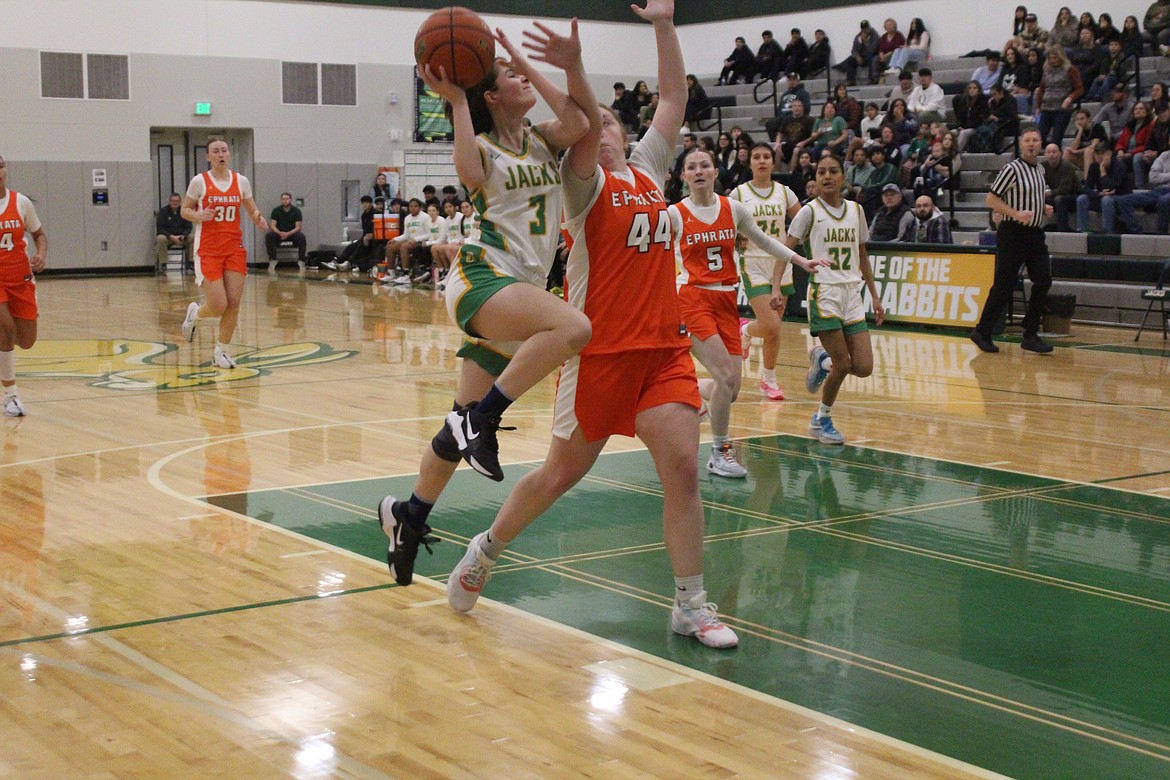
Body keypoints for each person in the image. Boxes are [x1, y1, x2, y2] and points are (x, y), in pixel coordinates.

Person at [445, 0, 742, 649]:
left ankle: (691, 604)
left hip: (661, 355)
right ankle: (487, 548)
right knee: (558, 476)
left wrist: (663, 25)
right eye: (596, 122)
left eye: (612, 122)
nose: (605, 129)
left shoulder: (647, 170)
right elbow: (579, 128)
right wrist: (571, 82)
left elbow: (672, 94)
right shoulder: (581, 186)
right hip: (598, 356)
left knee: (684, 471)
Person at [375, 17, 596, 585]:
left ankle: (408, 514)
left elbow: (581, 120)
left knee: (452, 433)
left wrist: (539, 64)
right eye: (512, 76)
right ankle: (487, 419)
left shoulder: (545, 138)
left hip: (519, 294)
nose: (526, 79)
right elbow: (468, 171)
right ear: (491, 94)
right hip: (483, 280)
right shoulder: (486, 146)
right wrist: (455, 101)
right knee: (575, 329)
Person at [674, 149, 828, 476]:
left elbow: (765, 241)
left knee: (731, 391)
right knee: (725, 377)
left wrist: (802, 261)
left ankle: (681, 390)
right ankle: (720, 452)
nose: (699, 170)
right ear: (684, 176)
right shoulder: (675, 214)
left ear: (716, 172)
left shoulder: (733, 209)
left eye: (704, 165)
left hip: (726, 301)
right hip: (693, 300)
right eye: (691, 167)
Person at [787, 154, 885, 445]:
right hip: (824, 293)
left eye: (833, 171)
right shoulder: (809, 212)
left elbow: (863, 255)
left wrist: (875, 297)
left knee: (864, 368)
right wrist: (778, 286)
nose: (827, 176)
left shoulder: (856, 210)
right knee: (843, 365)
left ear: (844, 177)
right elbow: (787, 248)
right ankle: (822, 420)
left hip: (852, 294)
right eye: (821, 171)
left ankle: (822, 361)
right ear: (815, 179)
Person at [180, 138, 268, 369]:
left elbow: (251, 208)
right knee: (218, 305)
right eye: (215, 151)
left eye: (224, 150)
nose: (221, 154)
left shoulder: (241, 181)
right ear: (208, 156)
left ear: (229, 155)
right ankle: (195, 315)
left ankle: (222, 351)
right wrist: (198, 216)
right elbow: (185, 210)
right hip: (208, 249)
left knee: (234, 303)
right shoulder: (200, 181)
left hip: (233, 248)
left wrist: (258, 218)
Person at [970, 128, 1055, 355]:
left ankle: (1029, 333)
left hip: (1035, 233)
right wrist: (1016, 214)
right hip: (1012, 233)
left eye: (1035, 140)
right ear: (1020, 143)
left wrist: (1042, 208)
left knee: (1044, 279)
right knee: (1004, 285)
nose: (1031, 144)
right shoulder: (1011, 169)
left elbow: (1033, 196)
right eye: (1027, 140)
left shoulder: (1040, 169)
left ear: (1041, 144)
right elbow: (991, 199)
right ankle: (982, 331)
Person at [732, 143, 802, 402]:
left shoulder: (784, 192)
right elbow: (727, 223)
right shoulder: (739, 193)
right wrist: (735, 235)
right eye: (756, 156)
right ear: (750, 162)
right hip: (754, 264)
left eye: (766, 157)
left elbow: (802, 220)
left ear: (773, 162)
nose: (761, 161)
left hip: (781, 264)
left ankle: (769, 379)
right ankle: (746, 330)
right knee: (770, 323)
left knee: (775, 329)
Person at [0, 155, 46, 418]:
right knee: (5, 329)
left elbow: (39, 234)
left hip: (21, 279)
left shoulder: (21, 202)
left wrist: (40, 255)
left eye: (1, 166)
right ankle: (11, 395)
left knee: (26, 341)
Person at [1034, 45, 1083, 149]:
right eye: (1050, 58)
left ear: (1061, 57)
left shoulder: (1070, 69)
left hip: (1062, 109)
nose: (1052, 61)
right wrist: (1038, 107)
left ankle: (1056, 154)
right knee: (1039, 138)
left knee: (1057, 138)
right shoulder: (1046, 70)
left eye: (1055, 58)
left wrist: (1070, 98)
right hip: (1046, 108)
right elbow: (1041, 89)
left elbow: (1079, 88)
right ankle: (1050, 148)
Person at [1077, 145, 1133, 232]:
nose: (1099, 157)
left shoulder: (1119, 166)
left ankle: (1107, 232)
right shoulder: (1094, 166)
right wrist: (1099, 194)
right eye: (1097, 154)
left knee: (1106, 200)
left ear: (1109, 154)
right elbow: (1087, 188)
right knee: (1081, 199)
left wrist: (1102, 171)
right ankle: (1082, 231)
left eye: (1102, 153)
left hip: (1120, 198)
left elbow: (1111, 187)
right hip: (1102, 196)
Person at [1113, 149, 1170, 233]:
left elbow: (1157, 177)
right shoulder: (1164, 155)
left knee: (1164, 200)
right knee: (1123, 200)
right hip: (1158, 190)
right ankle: (1137, 232)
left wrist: (1162, 176)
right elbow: (1153, 177)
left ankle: (1161, 234)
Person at [1041, 142, 1081, 232]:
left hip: (1073, 197)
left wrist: (1048, 193)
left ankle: (1062, 231)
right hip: (1056, 196)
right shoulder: (1043, 166)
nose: (1051, 155)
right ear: (1045, 154)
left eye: (1054, 152)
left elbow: (1065, 189)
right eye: (1049, 152)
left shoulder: (1066, 166)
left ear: (1060, 154)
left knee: (1059, 199)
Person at [265, 192, 307, 270]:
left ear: (290, 200)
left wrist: (288, 233)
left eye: (287, 199)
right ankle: (273, 260)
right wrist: (280, 233)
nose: (285, 201)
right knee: (269, 236)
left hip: (292, 234)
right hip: (279, 234)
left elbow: (298, 227)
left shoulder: (296, 211)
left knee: (301, 236)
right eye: (283, 199)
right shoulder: (276, 210)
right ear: (281, 200)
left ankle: (301, 260)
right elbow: (273, 226)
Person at [154, 193, 191, 268]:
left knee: (193, 238)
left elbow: (189, 227)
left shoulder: (184, 211)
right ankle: (163, 264)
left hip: (182, 237)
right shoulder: (163, 212)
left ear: (180, 202)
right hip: (168, 237)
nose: (175, 203)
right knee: (160, 238)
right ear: (170, 201)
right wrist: (171, 236)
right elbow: (160, 228)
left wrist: (183, 235)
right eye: (173, 201)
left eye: (177, 201)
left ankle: (191, 263)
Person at [838, 20, 877, 87]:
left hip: (871, 56)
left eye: (866, 28)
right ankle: (851, 81)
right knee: (850, 59)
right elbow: (853, 50)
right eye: (863, 29)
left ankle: (872, 79)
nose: (864, 30)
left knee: (872, 58)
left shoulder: (875, 35)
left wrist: (865, 41)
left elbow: (873, 50)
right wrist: (857, 57)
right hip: (861, 57)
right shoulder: (858, 36)